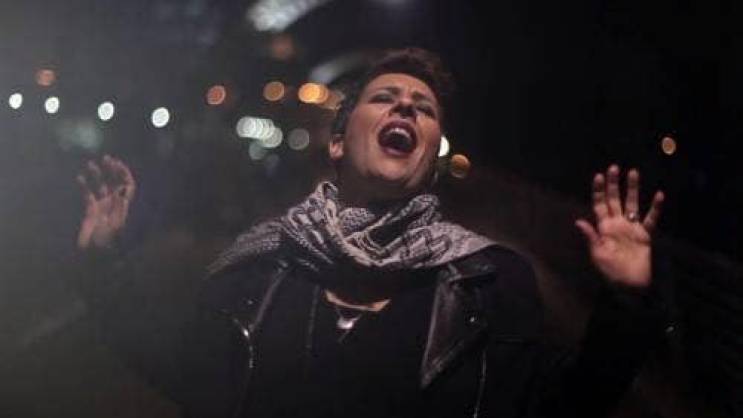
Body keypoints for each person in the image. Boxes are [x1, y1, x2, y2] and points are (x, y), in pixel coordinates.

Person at [75, 48, 668, 418]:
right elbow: (183, 367)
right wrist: (102, 265)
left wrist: (626, 303)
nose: (405, 109)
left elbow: (559, 405)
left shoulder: (492, 281)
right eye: (385, 98)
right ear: (338, 142)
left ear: (432, 158)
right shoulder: (259, 262)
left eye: (424, 108)